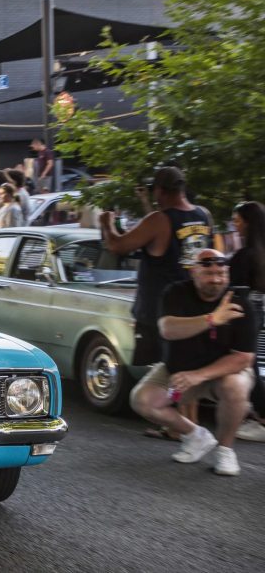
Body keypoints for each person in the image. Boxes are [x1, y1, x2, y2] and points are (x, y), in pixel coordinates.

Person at [129, 249, 258, 476]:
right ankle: (196, 436)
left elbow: (244, 358)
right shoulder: (175, 293)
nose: (216, 279)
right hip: (179, 373)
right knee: (143, 400)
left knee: (235, 386)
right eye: (208, 272)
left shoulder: (240, 304)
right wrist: (212, 320)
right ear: (194, 272)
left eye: (221, 272)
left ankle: (225, 450)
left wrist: (199, 375)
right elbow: (167, 329)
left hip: (221, 375)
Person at [100, 166, 213, 369]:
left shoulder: (159, 220)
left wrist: (106, 224)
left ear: (160, 190)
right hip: (193, 308)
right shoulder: (203, 215)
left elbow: (118, 246)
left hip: (159, 314)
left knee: (158, 376)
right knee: (187, 371)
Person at [229, 201, 265, 442]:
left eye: (238, 220)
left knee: (246, 363)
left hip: (246, 312)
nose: (235, 224)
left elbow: (233, 289)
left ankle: (261, 417)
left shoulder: (245, 256)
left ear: (248, 223)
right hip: (260, 310)